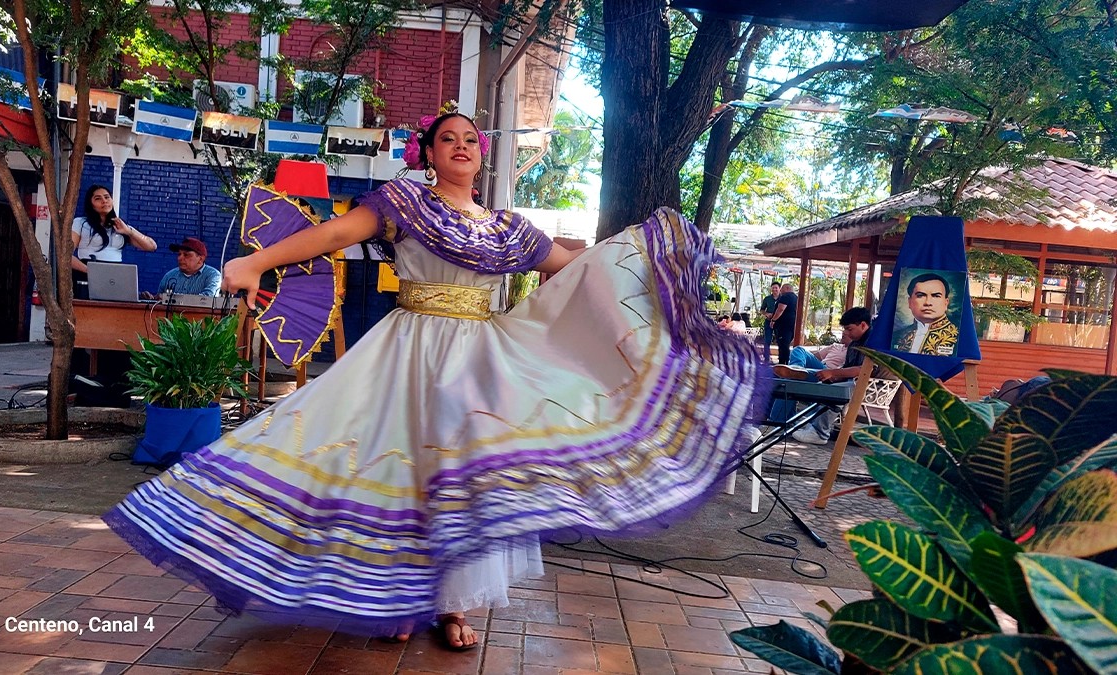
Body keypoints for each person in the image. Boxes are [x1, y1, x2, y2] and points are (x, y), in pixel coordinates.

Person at [102, 109, 765, 650]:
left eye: (471, 139)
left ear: (482, 156)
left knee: (468, 477)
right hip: (407, 349)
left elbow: (579, 267)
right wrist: (258, 260)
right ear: (427, 152)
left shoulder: (509, 228)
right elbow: (333, 233)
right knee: (395, 470)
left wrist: (659, 285)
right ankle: (395, 599)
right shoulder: (404, 204)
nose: (461, 146)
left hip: (481, 358)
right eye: (447, 138)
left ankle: (453, 604)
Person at [784, 307, 872, 445]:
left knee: (833, 391)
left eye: (849, 329)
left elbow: (864, 370)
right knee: (822, 384)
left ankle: (820, 433)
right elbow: (848, 368)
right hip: (852, 380)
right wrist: (833, 376)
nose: (846, 333)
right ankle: (809, 424)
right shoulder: (855, 343)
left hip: (870, 385)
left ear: (863, 325)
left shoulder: (872, 342)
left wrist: (834, 373)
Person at [72, 185, 157, 299]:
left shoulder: (119, 225)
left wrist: (129, 232)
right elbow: (66, 256)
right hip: (88, 273)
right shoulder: (81, 223)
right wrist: (90, 271)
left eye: (107, 197)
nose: (104, 201)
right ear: (90, 204)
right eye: (98, 198)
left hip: (115, 276)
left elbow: (151, 246)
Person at [892, 272, 959, 356]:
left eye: (936, 296)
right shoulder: (897, 336)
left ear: (946, 303)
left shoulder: (959, 339)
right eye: (920, 296)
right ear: (910, 302)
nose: (928, 303)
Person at [144, 236, 221, 298]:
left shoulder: (213, 275)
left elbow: (208, 298)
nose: (180, 258)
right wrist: (152, 299)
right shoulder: (170, 275)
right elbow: (159, 300)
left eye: (186, 255)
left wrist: (172, 299)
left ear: (201, 259)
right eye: (179, 254)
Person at [767, 282, 798, 364]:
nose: (780, 291)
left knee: (783, 344)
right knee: (786, 344)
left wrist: (773, 320)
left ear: (787, 288)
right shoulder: (796, 297)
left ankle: (782, 362)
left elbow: (780, 309)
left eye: (782, 288)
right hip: (792, 324)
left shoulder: (785, 296)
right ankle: (785, 362)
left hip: (784, 325)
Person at [759, 282, 780, 361]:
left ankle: (781, 357)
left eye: (776, 288)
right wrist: (766, 314)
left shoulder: (782, 298)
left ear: (779, 288)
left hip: (779, 322)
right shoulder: (767, 299)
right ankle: (766, 358)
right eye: (773, 288)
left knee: (780, 340)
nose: (774, 289)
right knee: (767, 339)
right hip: (768, 321)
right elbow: (762, 310)